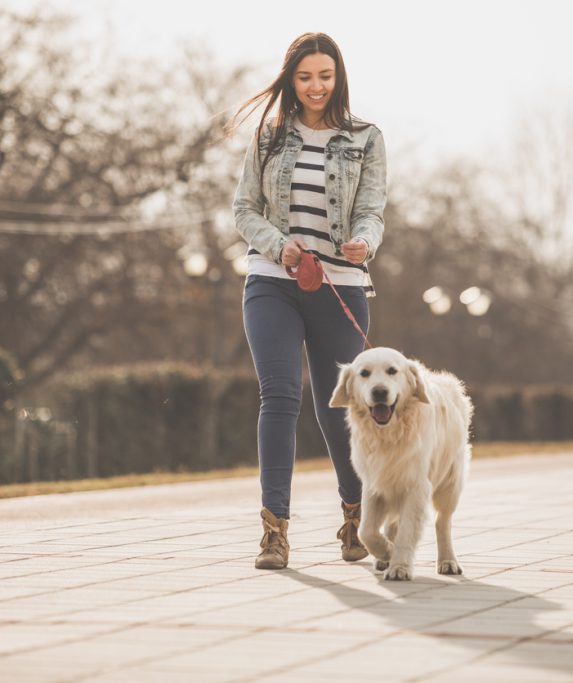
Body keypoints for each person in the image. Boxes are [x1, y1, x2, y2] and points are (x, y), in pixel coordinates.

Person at [228, 32, 387, 569]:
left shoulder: (365, 138)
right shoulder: (269, 137)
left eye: (325, 75)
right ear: (290, 80)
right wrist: (280, 246)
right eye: (305, 76)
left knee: (337, 406)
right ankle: (275, 531)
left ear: (337, 77)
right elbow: (244, 210)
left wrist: (366, 240)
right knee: (279, 395)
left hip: (339, 286)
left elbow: (372, 209)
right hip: (272, 281)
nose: (316, 86)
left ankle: (354, 518)